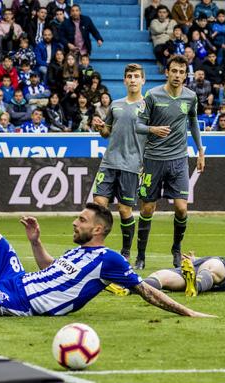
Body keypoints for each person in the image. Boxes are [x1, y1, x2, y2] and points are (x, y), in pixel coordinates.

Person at [0, 204, 213, 318]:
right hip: (18, 279)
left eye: (81, 220)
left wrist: (187, 311)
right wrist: (36, 244)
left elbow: (146, 291)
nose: (74, 222)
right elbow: (50, 270)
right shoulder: (79, 253)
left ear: (97, 229)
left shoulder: (108, 259)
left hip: (19, 301)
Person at [135, 55, 206, 270]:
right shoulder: (153, 95)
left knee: (181, 208)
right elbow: (138, 125)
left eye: (181, 72)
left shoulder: (190, 97)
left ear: (186, 75)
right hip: (153, 160)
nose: (177, 75)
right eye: (174, 71)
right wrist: (153, 129)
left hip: (178, 160)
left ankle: (176, 249)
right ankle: (140, 256)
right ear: (167, 72)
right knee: (147, 208)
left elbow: (193, 122)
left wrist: (200, 151)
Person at [91, 64, 159, 260]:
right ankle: (96, 251)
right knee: (98, 205)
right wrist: (100, 127)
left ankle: (126, 251)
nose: (132, 79)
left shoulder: (149, 107)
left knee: (124, 210)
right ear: (124, 80)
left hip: (131, 165)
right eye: (129, 76)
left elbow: (154, 137)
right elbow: (107, 133)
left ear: (143, 81)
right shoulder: (115, 105)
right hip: (109, 162)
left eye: (136, 76)